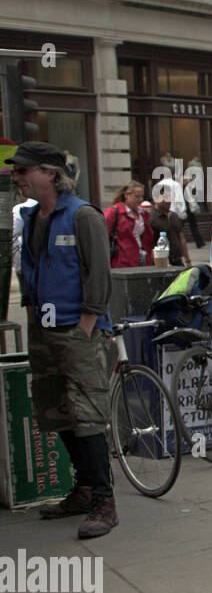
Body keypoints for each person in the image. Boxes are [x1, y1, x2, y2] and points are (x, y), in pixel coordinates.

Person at [11, 141, 118, 538]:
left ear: (51, 173)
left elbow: (99, 273)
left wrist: (89, 321)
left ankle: (104, 502)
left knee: (88, 412)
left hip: (77, 329)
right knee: (59, 411)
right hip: (45, 329)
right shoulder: (33, 217)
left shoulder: (83, 215)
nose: (18, 178)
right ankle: (84, 487)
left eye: (25, 171)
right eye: (17, 172)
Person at [104, 180, 155, 268]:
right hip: (122, 261)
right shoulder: (114, 212)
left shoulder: (143, 213)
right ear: (126, 195)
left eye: (142, 196)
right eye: (137, 196)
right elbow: (102, 235)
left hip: (142, 258)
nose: (140, 200)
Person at [148, 179, 194, 268]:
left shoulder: (173, 215)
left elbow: (181, 238)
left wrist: (187, 260)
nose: (168, 200)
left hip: (177, 261)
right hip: (161, 262)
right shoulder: (151, 217)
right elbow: (149, 243)